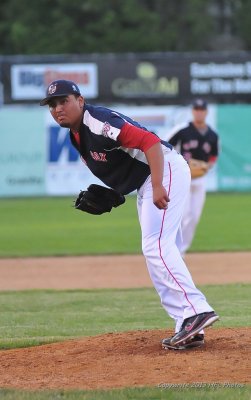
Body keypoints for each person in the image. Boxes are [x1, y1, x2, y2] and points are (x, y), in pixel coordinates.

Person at [40, 80, 219, 350]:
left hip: (162, 170)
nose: (57, 108)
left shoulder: (97, 121)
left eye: (63, 101)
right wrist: (117, 194)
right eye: (52, 104)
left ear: (80, 100)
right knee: (159, 249)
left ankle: (196, 311)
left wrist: (159, 185)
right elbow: (122, 164)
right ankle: (187, 322)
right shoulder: (77, 136)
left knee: (155, 246)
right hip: (147, 180)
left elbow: (150, 142)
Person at [168, 99, 219, 256]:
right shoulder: (183, 129)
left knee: (194, 217)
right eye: (196, 109)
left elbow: (214, 155)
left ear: (206, 112)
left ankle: (181, 250)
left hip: (200, 179)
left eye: (201, 109)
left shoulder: (212, 135)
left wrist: (208, 166)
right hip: (183, 178)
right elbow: (165, 146)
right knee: (185, 215)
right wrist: (180, 162)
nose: (199, 112)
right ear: (192, 111)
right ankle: (175, 250)